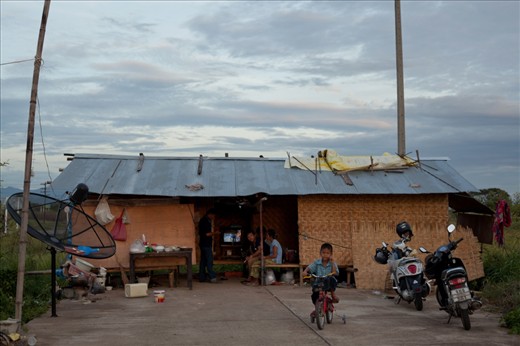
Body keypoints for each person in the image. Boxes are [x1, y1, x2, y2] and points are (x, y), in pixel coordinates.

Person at [302, 243, 339, 318]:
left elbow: (335, 273)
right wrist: (305, 271)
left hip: (329, 284)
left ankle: (333, 294)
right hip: (319, 283)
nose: (325, 255)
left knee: (331, 279)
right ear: (320, 253)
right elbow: (310, 267)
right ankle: (317, 307)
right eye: (323, 253)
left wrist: (332, 263)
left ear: (331, 254)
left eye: (327, 253)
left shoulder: (332, 263)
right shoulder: (317, 262)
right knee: (314, 295)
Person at [198, 209, 219, 283]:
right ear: (210, 214)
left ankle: (202, 277)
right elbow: (206, 234)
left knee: (203, 261)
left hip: (203, 244)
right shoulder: (205, 221)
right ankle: (212, 277)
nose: (214, 217)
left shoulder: (204, 220)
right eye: (213, 215)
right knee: (209, 261)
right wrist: (215, 233)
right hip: (206, 244)